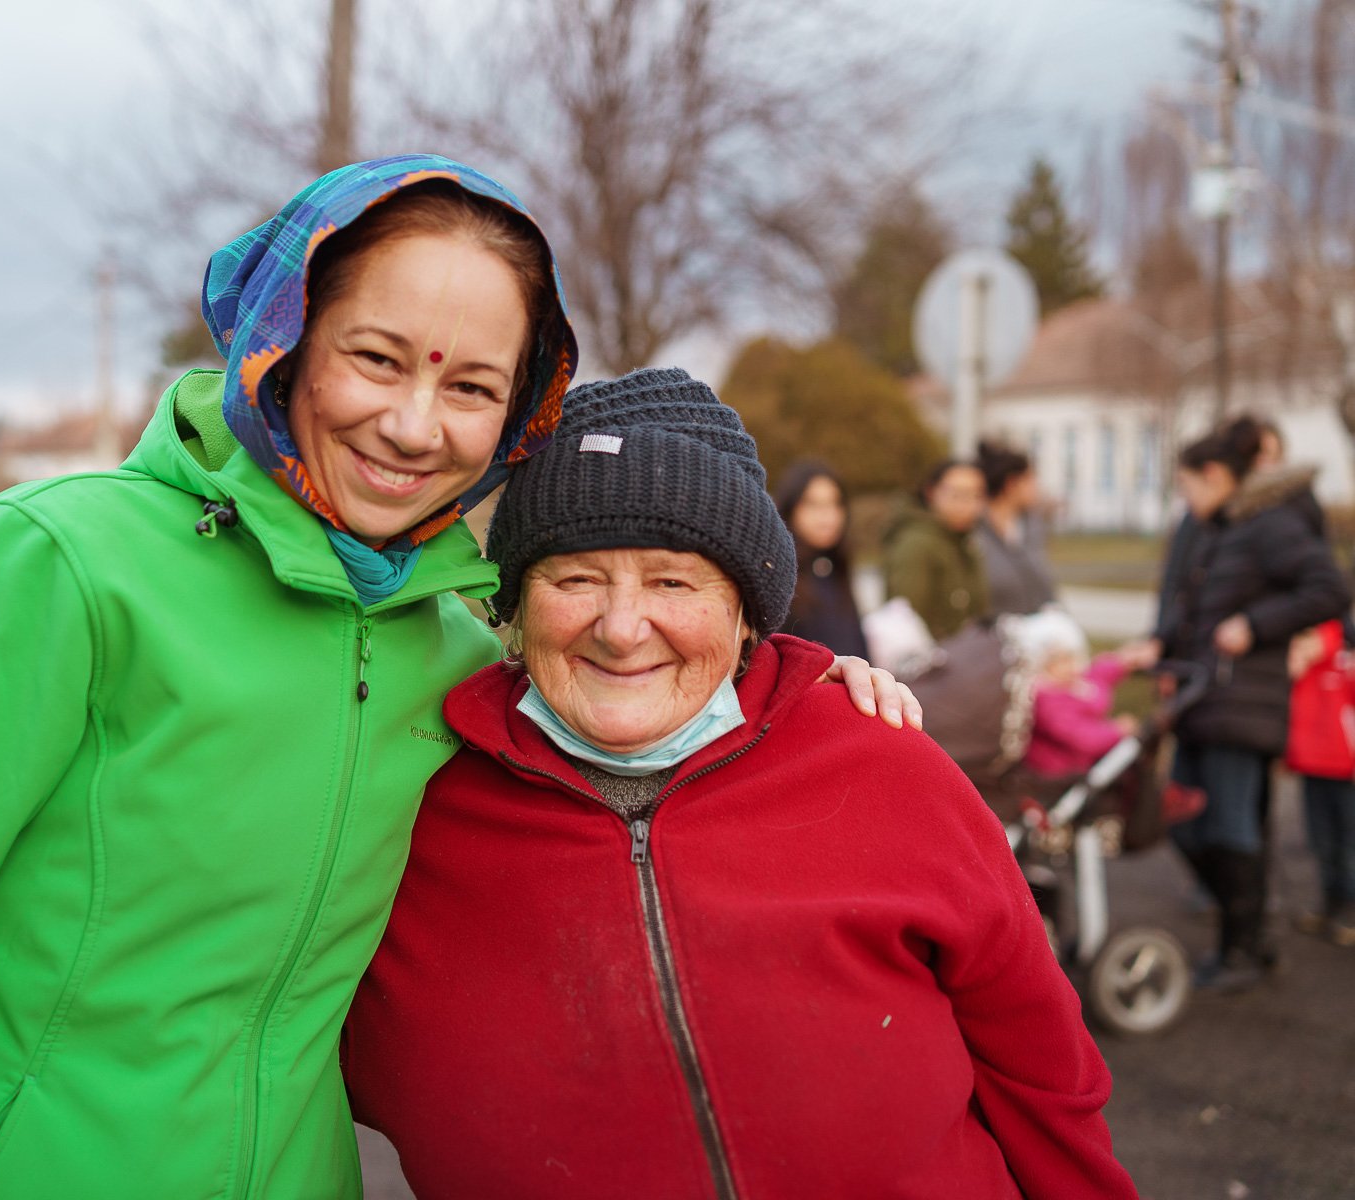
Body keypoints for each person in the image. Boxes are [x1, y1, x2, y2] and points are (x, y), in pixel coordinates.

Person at [0, 157, 911, 1200]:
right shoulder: (57, 564)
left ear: (519, 416)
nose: (412, 424)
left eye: (471, 389)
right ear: (283, 345)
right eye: (376, 359)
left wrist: (807, 694)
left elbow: (635, 710)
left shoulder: (453, 650)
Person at [345, 368, 1136, 1200]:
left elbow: (1047, 1080)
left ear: (746, 613)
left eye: (672, 581)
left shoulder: (881, 765)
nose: (621, 629)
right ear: (511, 605)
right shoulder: (413, 809)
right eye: (573, 577)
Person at [1151, 419, 1352, 991]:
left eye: (1188, 485)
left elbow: (1329, 589)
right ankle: (1253, 935)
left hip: (1243, 701)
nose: (1186, 499)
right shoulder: (1221, 527)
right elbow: (1197, 610)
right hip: (1203, 697)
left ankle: (1241, 951)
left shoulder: (1268, 525)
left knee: (1228, 823)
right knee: (1188, 822)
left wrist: (1254, 625)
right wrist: (1163, 650)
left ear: (1215, 475)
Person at [1017, 610, 1158, 778]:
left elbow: (1096, 676)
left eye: (1071, 658)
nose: (1070, 666)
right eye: (1060, 661)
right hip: (1061, 772)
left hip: (1082, 762)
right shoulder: (1047, 701)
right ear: (1042, 665)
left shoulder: (1071, 684)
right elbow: (1083, 738)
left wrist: (1123, 660)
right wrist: (1116, 730)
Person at [1285, 619, 1355, 946]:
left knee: (1348, 844)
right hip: (1313, 763)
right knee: (1322, 841)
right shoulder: (1305, 663)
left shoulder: (1342, 656)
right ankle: (1330, 905)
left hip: (1346, 766)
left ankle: (1348, 910)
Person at [882, 457, 991, 640]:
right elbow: (907, 617)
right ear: (931, 492)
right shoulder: (916, 543)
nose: (967, 504)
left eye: (976, 495)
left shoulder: (966, 541)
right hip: (935, 659)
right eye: (957, 494)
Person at [773, 460, 868, 656]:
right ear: (791, 510)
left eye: (834, 504)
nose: (827, 515)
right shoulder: (778, 577)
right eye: (813, 504)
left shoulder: (836, 568)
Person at [975, 439, 1058, 615]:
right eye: (1032, 480)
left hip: (1039, 627)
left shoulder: (1032, 526)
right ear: (1011, 484)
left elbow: (1044, 587)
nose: (1037, 487)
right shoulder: (975, 532)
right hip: (992, 632)